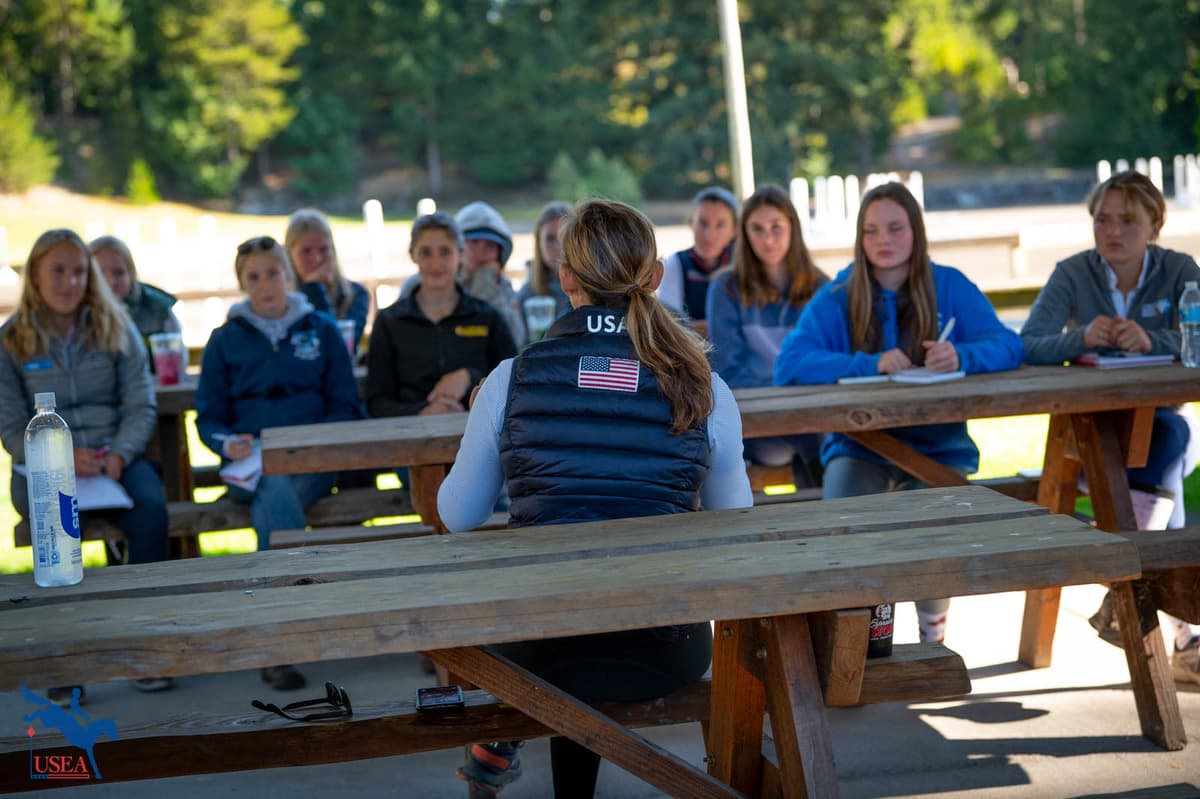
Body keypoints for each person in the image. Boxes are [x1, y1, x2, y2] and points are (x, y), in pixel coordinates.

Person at [436, 199, 752, 798]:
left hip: (535, 648)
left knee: (557, 621)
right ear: (655, 277)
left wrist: (483, 422)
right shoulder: (704, 385)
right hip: (665, 648)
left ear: (565, 278)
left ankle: (505, 750)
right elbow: (734, 520)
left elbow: (458, 516)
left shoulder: (510, 380)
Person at [775, 182, 1024, 644]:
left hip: (938, 449)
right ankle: (863, 644)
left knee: (934, 534)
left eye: (895, 228)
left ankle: (933, 637)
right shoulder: (840, 293)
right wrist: (869, 363)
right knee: (845, 530)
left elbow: (1009, 344)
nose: (882, 240)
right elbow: (789, 364)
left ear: (916, 232)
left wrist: (963, 356)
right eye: (870, 230)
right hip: (859, 448)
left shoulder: (949, 285)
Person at [1020, 170, 1200, 680]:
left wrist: (1154, 341)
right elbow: (1028, 342)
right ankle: (1180, 634)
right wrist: (1079, 338)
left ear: (1155, 226)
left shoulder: (1181, 270)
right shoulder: (1073, 272)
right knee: (1167, 467)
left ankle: (1129, 596)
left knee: (1168, 440)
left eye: (1128, 220)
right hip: (1090, 434)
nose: (1113, 231)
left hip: (1163, 423)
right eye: (1103, 220)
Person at [0, 229, 171, 700]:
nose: (69, 281)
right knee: (53, 528)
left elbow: (140, 404)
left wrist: (119, 454)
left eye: (79, 271)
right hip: (43, 466)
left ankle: (146, 648)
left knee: (152, 509)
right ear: (35, 275)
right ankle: (64, 662)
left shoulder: (117, 326)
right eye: (57, 270)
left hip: (111, 458)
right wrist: (58, 457)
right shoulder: (11, 340)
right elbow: (10, 426)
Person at [195, 235, 362, 691]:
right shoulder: (224, 339)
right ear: (242, 283)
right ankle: (291, 630)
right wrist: (226, 442)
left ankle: (276, 641)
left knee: (277, 489)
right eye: (254, 276)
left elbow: (346, 405)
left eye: (273, 272)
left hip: (310, 464)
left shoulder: (322, 329)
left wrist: (311, 443)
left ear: (289, 274)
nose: (265, 283)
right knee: (272, 487)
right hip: (246, 466)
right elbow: (208, 417)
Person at [707, 184, 828, 488]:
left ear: (793, 228)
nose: (768, 238)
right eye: (757, 229)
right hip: (757, 425)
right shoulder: (726, 289)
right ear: (744, 234)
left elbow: (826, 362)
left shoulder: (821, 288)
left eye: (777, 227)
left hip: (815, 415)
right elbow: (728, 370)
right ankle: (829, 504)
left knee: (828, 437)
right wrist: (789, 393)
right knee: (817, 439)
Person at [366, 212, 516, 419]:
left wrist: (470, 378)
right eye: (426, 252)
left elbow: (513, 382)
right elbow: (376, 401)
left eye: (445, 252)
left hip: (478, 429)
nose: (435, 263)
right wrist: (422, 411)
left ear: (460, 254)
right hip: (409, 433)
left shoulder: (488, 318)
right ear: (412, 255)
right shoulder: (389, 321)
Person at [283, 208, 370, 355]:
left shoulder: (356, 294)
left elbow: (340, 347)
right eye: (306, 251)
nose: (316, 259)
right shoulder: (280, 301)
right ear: (289, 254)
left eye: (323, 249)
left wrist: (314, 288)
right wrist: (312, 288)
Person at [89, 235, 182, 367]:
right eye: (100, 274)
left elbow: (177, 364)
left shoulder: (158, 311)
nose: (110, 281)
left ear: (132, 274)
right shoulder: (74, 314)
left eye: (119, 272)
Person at [657, 186, 739, 336]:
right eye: (703, 223)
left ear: (735, 230)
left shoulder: (743, 266)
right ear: (691, 224)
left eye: (720, 225)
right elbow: (667, 327)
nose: (709, 235)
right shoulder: (675, 264)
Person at [514, 200, 572, 323]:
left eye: (564, 238)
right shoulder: (527, 295)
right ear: (539, 244)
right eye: (550, 239)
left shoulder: (593, 291)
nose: (558, 247)